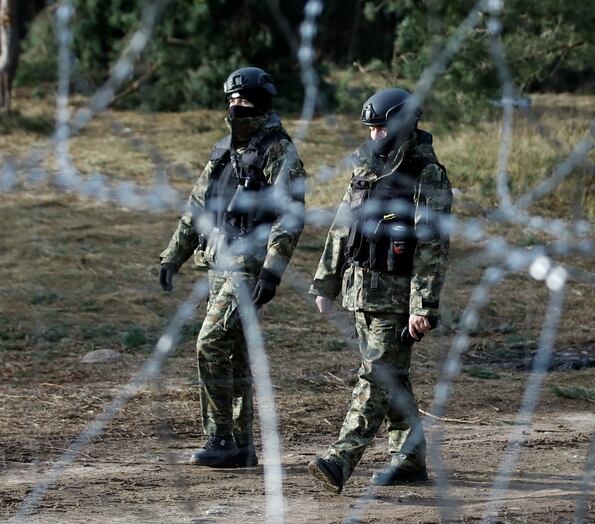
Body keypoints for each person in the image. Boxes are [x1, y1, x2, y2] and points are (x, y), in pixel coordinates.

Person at [159, 67, 305, 467]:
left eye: (243, 100)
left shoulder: (279, 152)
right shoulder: (223, 150)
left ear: (261, 101)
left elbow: (290, 217)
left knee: (210, 342)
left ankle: (219, 437)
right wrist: (174, 255)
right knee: (235, 354)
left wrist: (273, 271)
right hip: (218, 261)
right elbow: (197, 208)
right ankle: (240, 447)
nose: (235, 106)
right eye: (231, 99)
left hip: (249, 265)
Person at [307, 88, 452, 493]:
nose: (374, 136)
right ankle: (408, 460)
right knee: (392, 378)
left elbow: (432, 245)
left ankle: (340, 458)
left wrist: (423, 305)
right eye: (370, 128)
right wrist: (327, 282)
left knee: (375, 377)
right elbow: (342, 228)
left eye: (380, 127)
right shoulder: (366, 170)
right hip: (361, 294)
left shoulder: (427, 173)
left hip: (397, 301)